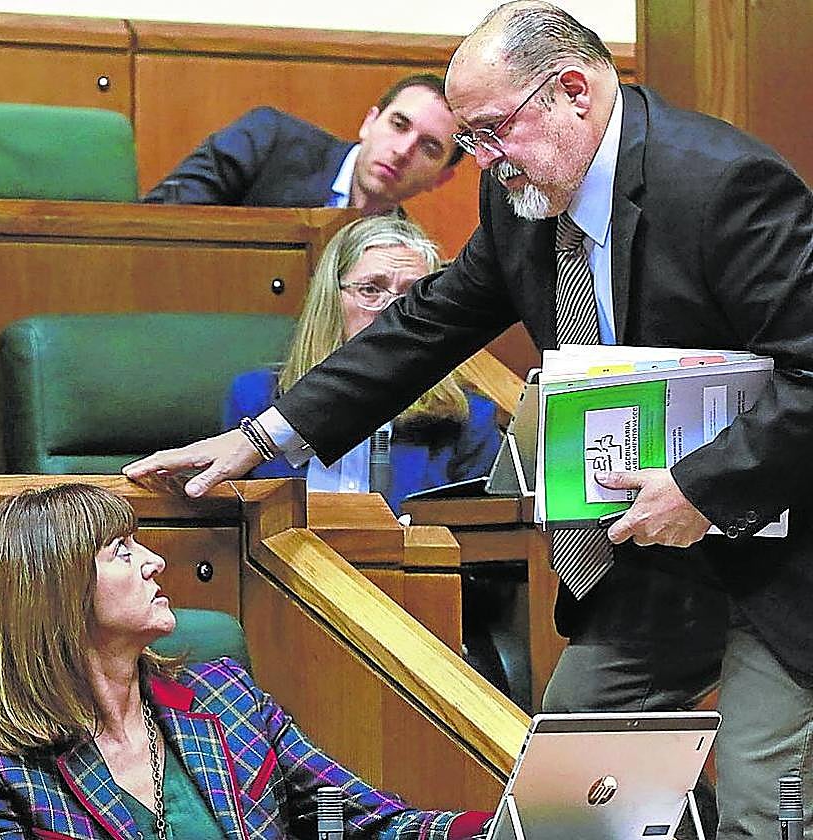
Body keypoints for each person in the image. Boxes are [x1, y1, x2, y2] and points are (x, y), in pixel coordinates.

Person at [125, 3, 813, 839]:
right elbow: (425, 327)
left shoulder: (721, 183)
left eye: (492, 133)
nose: (483, 163)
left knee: (758, 805)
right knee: (573, 803)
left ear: (572, 92)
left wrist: (700, 486)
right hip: (655, 557)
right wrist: (259, 437)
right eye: (473, 139)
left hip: (785, 562)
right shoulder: (519, 195)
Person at [0, 483, 490, 840]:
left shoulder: (227, 695)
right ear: (54, 591)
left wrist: (507, 829)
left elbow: (362, 820)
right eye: (121, 550)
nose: (155, 561)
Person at [225, 214, 500, 512]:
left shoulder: (469, 421)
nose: (393, 312)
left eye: (415, 297)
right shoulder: (255, 400)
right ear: (331, 299)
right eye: (371, 289)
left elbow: (478, 544)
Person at [141, 74, 463, 214]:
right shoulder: (268, 139)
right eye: (398, 124)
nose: (403, 150)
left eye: (429, 148)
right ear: (369, 122)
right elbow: (163, 220)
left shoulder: (403, 256)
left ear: (441, 178)